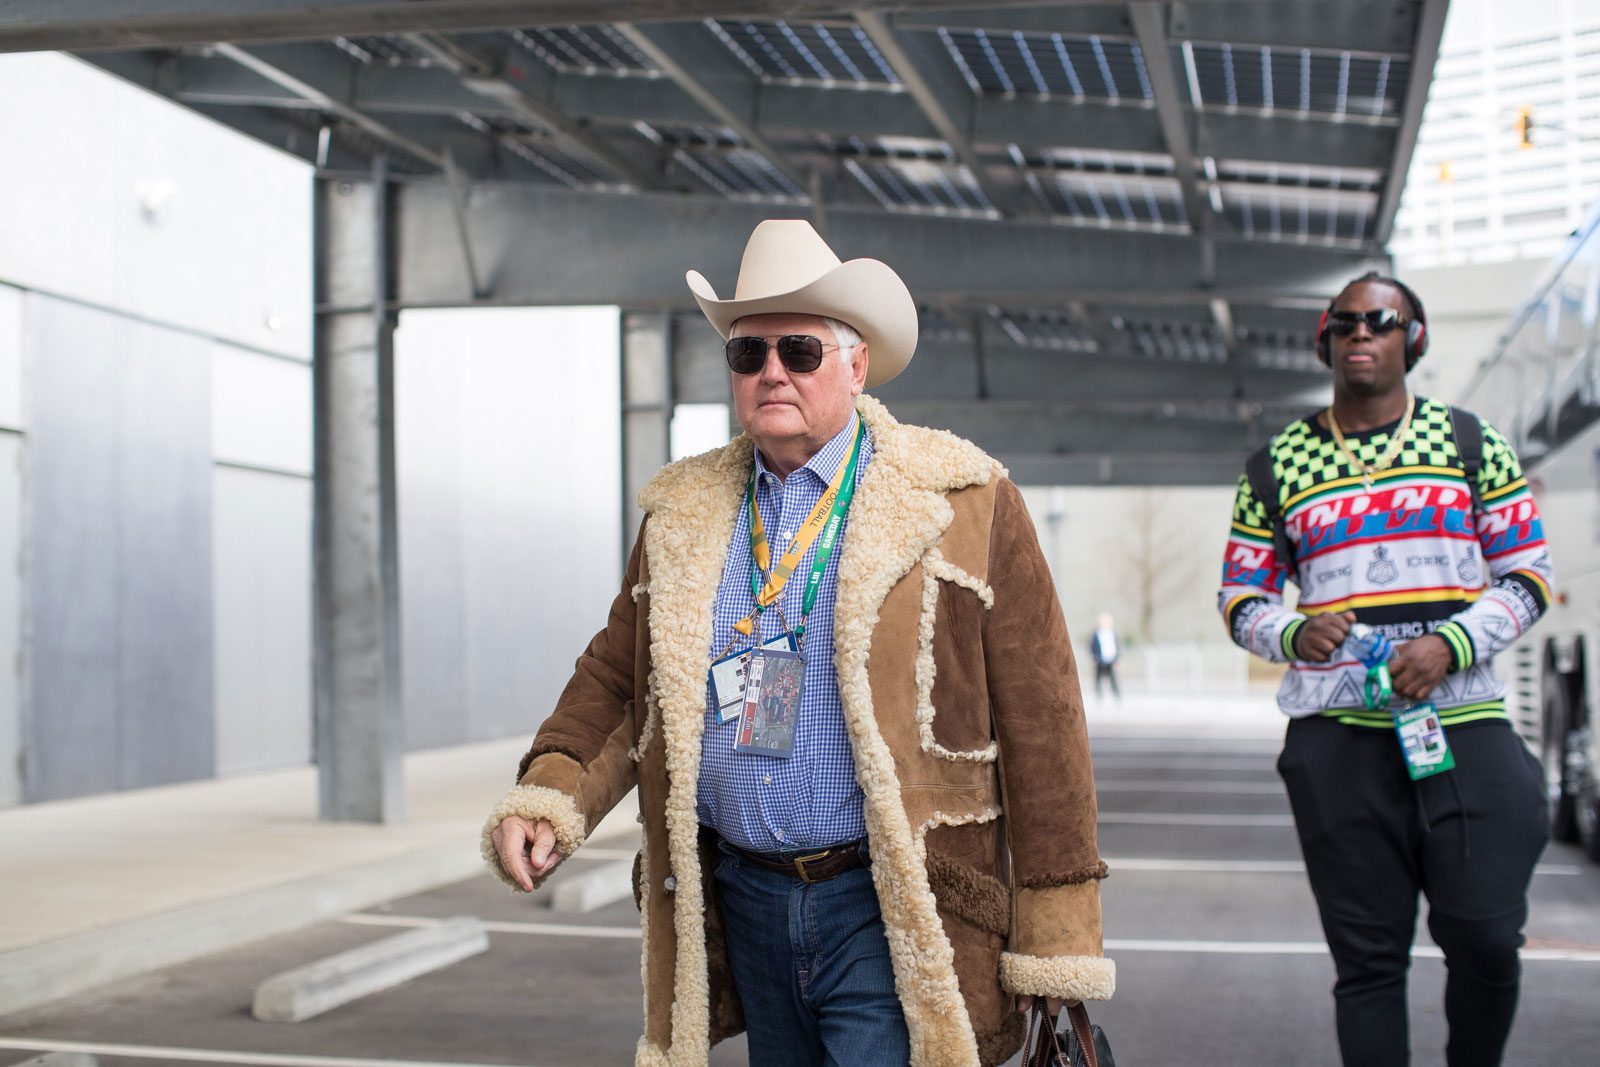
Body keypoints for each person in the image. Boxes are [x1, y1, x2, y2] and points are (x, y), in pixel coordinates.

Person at [484, 220, 1114, 1066]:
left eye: (800, 351)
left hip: (891, 905)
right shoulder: (682, 513)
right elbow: (618, 680)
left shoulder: (965, 500)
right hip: (742, 898)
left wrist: (1059, 934)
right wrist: (548, 792)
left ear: (856, 365)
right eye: (749, 355)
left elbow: (1046, 723)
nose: (772, 370)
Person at [1217, 271, 1554, 1067]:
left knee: (1487, 935)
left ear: (1414, 338)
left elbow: (1530, 576)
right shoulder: (1276, 465)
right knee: (1367, 966)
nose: (1362, 333)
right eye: (1347, 322)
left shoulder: (1471, 442)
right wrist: (1293, 634)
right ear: (1325, 338)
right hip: (1336, 743)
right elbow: (1241, 598)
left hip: (1464, 725)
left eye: (1382, 321)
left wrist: (1452, 644)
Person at [1088, 614, 1121, 701]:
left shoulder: (1113, 633)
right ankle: (1099, 696)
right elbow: (1092, 646)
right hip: (1100, 660)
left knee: (1113, 679)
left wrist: (1118, 658)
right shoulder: (1096, 634)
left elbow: (1118, 646)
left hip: (1111, 659)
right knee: (1097, 679)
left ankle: (1117, 696)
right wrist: (1093, 657)